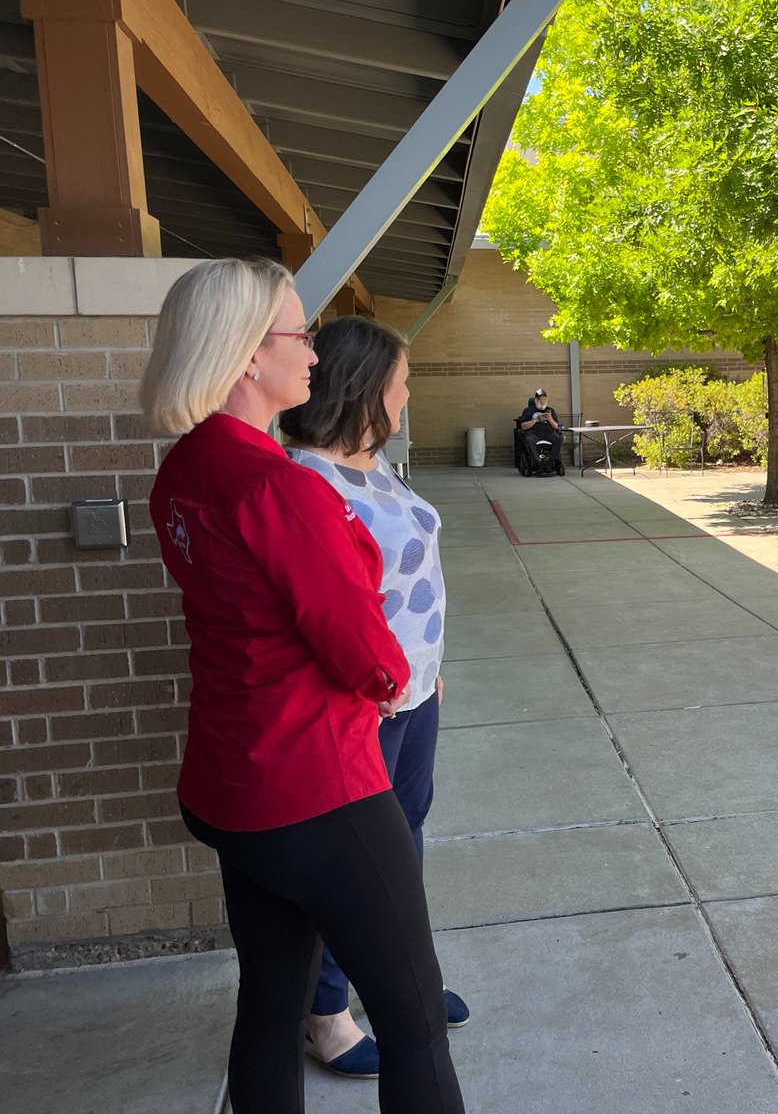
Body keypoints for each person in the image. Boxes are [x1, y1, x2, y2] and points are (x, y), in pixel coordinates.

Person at [140, 259, 463, 1114]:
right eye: (299, 334)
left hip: (231, 780)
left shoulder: (184, 470)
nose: (315, 353)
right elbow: (364, 647)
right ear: (249, 356)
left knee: (269, 1003)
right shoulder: (282, 488)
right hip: (315, 786)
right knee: (414, 1023)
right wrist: (398, 683)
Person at [279, 315, 468, 1080]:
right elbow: (326, 611)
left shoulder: (371, 464)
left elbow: (403, 584)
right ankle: (325, 1013)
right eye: (401, 384)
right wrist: (387, 682)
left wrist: (427, 669)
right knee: (349, 864)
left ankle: (398, 983)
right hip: (362, 706)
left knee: (403, 842)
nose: (408, 395)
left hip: (413, 694)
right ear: (361, 390)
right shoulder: (306, 481)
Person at [517, 387, 564, 472]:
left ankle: (550, 463)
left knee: (559, 438)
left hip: (548, 434)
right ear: (535, 400)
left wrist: (549, 419)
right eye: (539, 399)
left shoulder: (551, 410)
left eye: (543, 398)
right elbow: (523, 426)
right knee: (528, 440)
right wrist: (535, 420)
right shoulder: (528, 411)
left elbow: (556, 427)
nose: (542, 401)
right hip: (533, 434)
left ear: (546, 399)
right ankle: (537, 464)